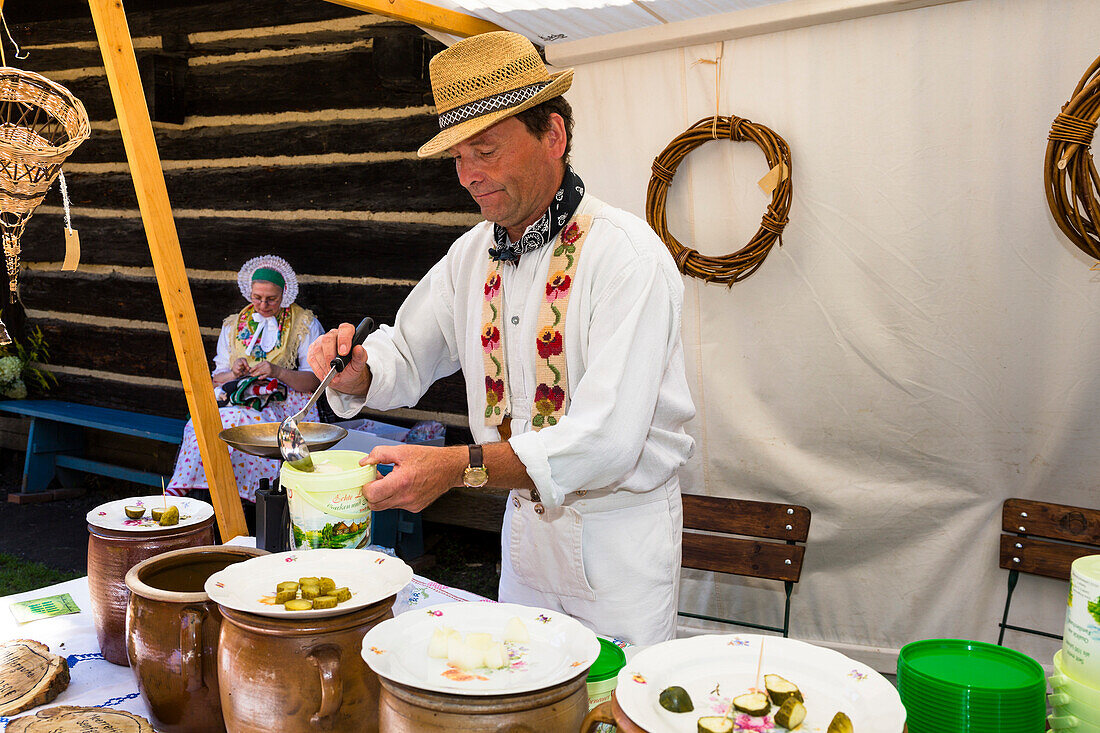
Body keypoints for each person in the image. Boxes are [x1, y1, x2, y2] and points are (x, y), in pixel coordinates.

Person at [309, 31, 695, 644]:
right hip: (522, 539)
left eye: (484, 151)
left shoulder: (627, 257)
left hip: (617, 548)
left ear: (553, 136)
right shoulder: (471, 255)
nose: (467, 177)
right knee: (519, 688)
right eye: (458, 158)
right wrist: (356, 369)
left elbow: (607, 441)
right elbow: (407, 351)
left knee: (611, 707)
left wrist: (457, 467)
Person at [168, 255, 323, 506]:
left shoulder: (304, 324)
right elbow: (217, 379)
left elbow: (316, 381)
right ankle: (193, 490)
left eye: (271, 299)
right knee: (205, 422)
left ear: (285, 294)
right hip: (238, 400)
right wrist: (235, 372)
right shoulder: (235, 324)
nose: (262, 305)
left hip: (282, 405)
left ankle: (252, 501)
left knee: (244, 425)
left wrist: (277, 371)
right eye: (257, 297)